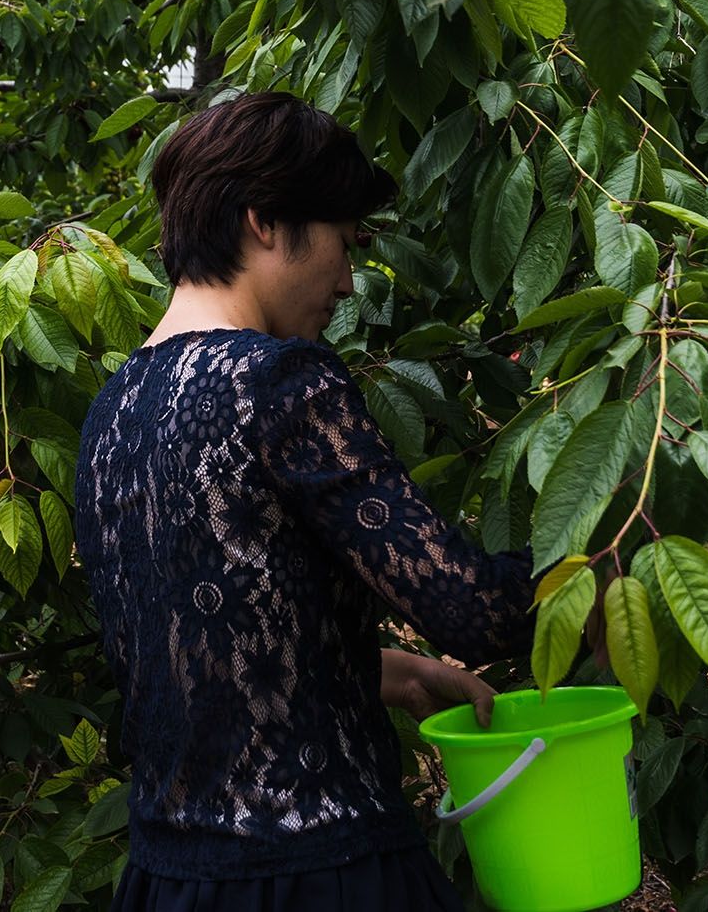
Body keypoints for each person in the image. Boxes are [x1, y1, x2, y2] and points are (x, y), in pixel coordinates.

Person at [74, 92, 537, 911]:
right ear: (264, 220)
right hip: (320, 873)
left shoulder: (114, 407)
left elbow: (199, 631)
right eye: (343, 240)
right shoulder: (282, 380)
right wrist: (604, 569)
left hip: (169, 882)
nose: (349, 278)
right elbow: (478, 612)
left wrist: (372, 665)